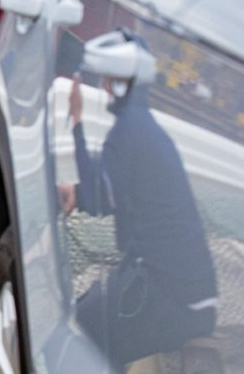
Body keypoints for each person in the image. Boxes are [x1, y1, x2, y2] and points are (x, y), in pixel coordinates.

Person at [49, 69, 217, 371]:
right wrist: (75, 193)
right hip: (184, 293)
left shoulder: (130, 129)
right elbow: (111, 190)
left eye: (107, 78)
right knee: (95, 321)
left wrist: (77, 120)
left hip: (172, 296)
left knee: (82, 328)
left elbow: (99, 192)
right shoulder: (141, 127)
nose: (103, 85)